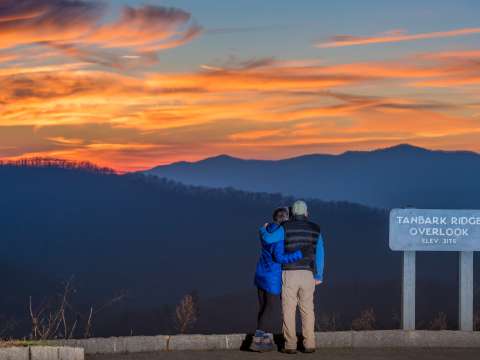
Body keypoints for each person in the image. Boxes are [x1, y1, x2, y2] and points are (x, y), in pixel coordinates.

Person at [260, 200, 324, 354]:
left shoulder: (285, 227)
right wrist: (319, 274)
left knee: (288, 309)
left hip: (289, 272)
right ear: (306, 213)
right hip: (308, 273)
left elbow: (268, 239)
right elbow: (320, 253)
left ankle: (290, 345)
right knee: (308, 309)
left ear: (292, 214)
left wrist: (263, 229)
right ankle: (309, 344)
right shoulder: (316, 229)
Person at [251, 207, 303, 352]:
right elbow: (279, 258)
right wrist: (299, 254)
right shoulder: (280, 235)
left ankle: (266, 340)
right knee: (270, 309)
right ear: (285, 219)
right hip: (272, 277)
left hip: (260, 274)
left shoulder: (267, 230)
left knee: (263, 308)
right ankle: (257, 340)